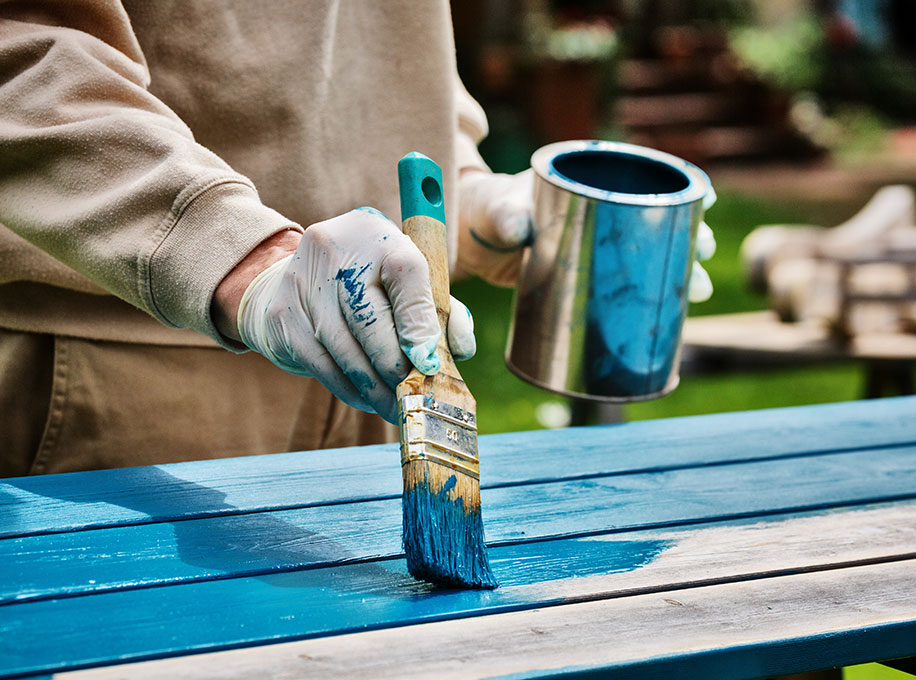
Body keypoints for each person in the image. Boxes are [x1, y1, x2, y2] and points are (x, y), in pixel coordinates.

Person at [0, 2, 713, 479]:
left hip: (379, 383)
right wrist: (242, 256)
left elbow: (380, 50)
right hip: (129, 382)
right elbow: (21, 54)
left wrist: (471, 200)